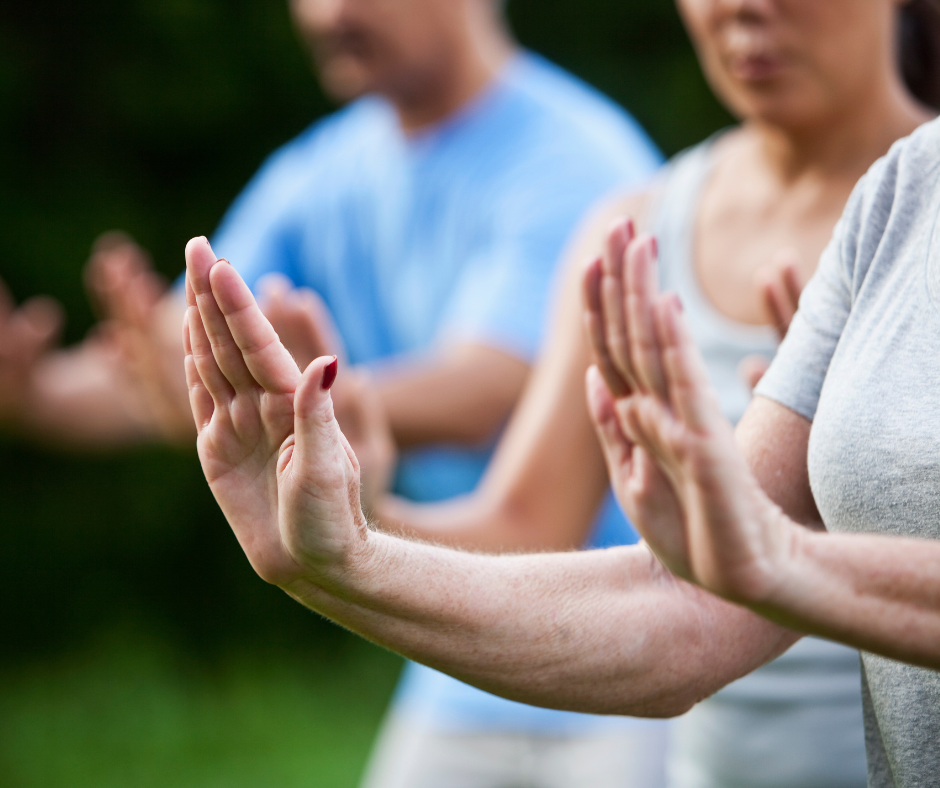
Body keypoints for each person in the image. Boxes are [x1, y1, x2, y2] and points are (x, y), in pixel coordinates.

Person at [176, 0, 940, 786]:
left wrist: (781, 560)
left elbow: (737, 576)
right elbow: (683, 604)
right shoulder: (875, 206)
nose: (741, 7)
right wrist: (348, 541)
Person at [0, 0, 666, 785]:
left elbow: (490, 382)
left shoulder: (580, 160)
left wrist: (300, 407)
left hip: (630, 641)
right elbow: (194, 372)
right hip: (456, 653)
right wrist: (36, 395)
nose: (328, 13)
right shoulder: (317, 175)